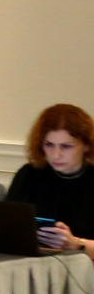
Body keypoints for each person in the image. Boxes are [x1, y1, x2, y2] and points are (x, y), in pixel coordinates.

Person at [7, 103, 94, 255]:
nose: (56, 154)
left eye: (66, 146)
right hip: (31, 260)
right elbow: (6, 226)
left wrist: (77, 243)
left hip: (82, 264)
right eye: (49, 145)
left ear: (86, 145)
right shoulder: (29, 174)